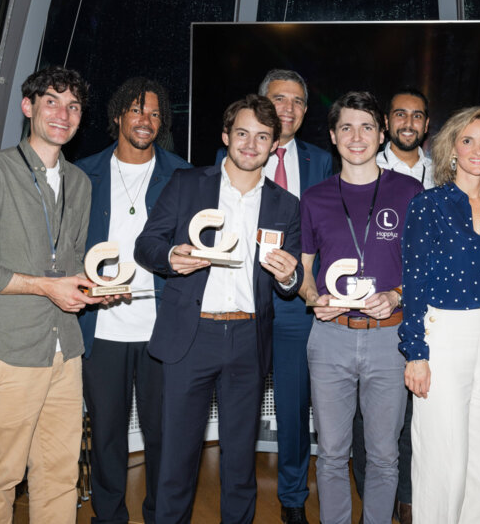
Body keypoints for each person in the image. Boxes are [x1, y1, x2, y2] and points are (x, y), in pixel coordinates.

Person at [0, 65, 103, 523]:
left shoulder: (81, 184)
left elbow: (68, 264)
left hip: (65, 350)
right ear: (28, 107)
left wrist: (91, 288)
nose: (63, 114)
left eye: (73, 106)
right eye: (51, 100)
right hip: (6, 350)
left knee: (59, 475)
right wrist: (42, 287)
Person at [134, 94, 302, 524]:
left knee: (240, 462)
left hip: (249, 340)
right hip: (191, 336)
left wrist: (288, 277)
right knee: (176, 460)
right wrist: (171, 256)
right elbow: (146, 244)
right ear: (226, 136)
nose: (251, 144)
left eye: (263, 136)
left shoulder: (286, 205)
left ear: (273, 145)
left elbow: (293, 281)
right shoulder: (188, 184)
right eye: (243, 133)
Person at [400, 106, 480, 523]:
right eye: (468, 140)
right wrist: (415, 353)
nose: (479, 149)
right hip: (444, 337)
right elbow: (414, 284)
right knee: (443, 458)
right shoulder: (427, 205)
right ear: (453, 148)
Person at [299, 91, 422, 524]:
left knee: (385, 455)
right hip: (330, 339)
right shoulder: (314, 198)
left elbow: (424, 267)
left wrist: (397, 295)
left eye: (367, 126)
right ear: (333, 136)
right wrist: (316, 300)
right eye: (347, 127)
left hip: (390, 338)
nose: (357, 136)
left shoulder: (409, 191)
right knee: (331, 453)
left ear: (382, 133)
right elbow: (304, 272)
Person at [218, 68, 332, 524]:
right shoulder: (236, 156)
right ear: (261, 101)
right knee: (237, 410)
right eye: (279, 99)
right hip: (239, 303)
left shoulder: (323, 162)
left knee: (293, 408)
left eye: (298, 102)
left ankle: (291, 501)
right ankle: (235, 499)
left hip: (297, 307)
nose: (288, 109)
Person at [76, 77, 191, 523]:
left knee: (163, 435)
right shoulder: (84, 174)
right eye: (137, 110)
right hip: (100, 330)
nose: (146, 120)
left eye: (155, 113)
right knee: (106, 437)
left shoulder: (182, 174)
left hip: (161, 328)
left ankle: (161, 515)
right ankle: (109, 517)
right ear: (119, 116)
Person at [351, 86, 432, 524]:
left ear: (426, 124)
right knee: (368, 422)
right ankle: (374, 504)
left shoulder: (443, 173)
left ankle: (409, 499)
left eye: (417, 116)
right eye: (399, 114)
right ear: (385, 125)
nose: (408, 123)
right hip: (371, 317)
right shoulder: (359, 167)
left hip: (430, 313)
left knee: (413, 415)